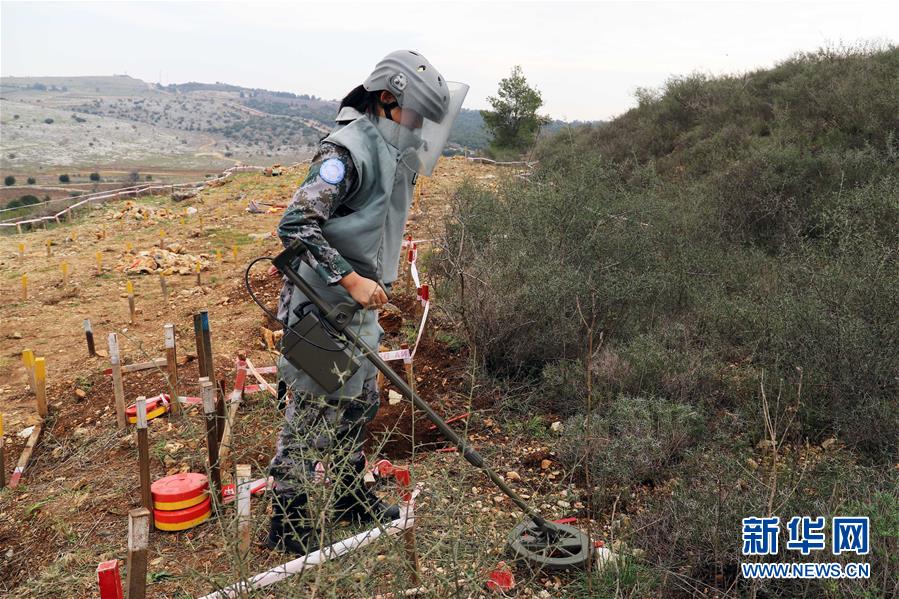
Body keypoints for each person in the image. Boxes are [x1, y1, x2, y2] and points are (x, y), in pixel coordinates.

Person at [266, 50, 468, 554]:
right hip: (321, 303)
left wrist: (366, 284)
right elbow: (295, 225)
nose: (419, 127)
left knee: (359, 401)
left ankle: (346, 495)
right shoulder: (345, 152)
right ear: (385, 99)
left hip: (358, 307)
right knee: (313, 408)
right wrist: (350, 278)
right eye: (415, 115)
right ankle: (288, 518)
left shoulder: (394, 152)